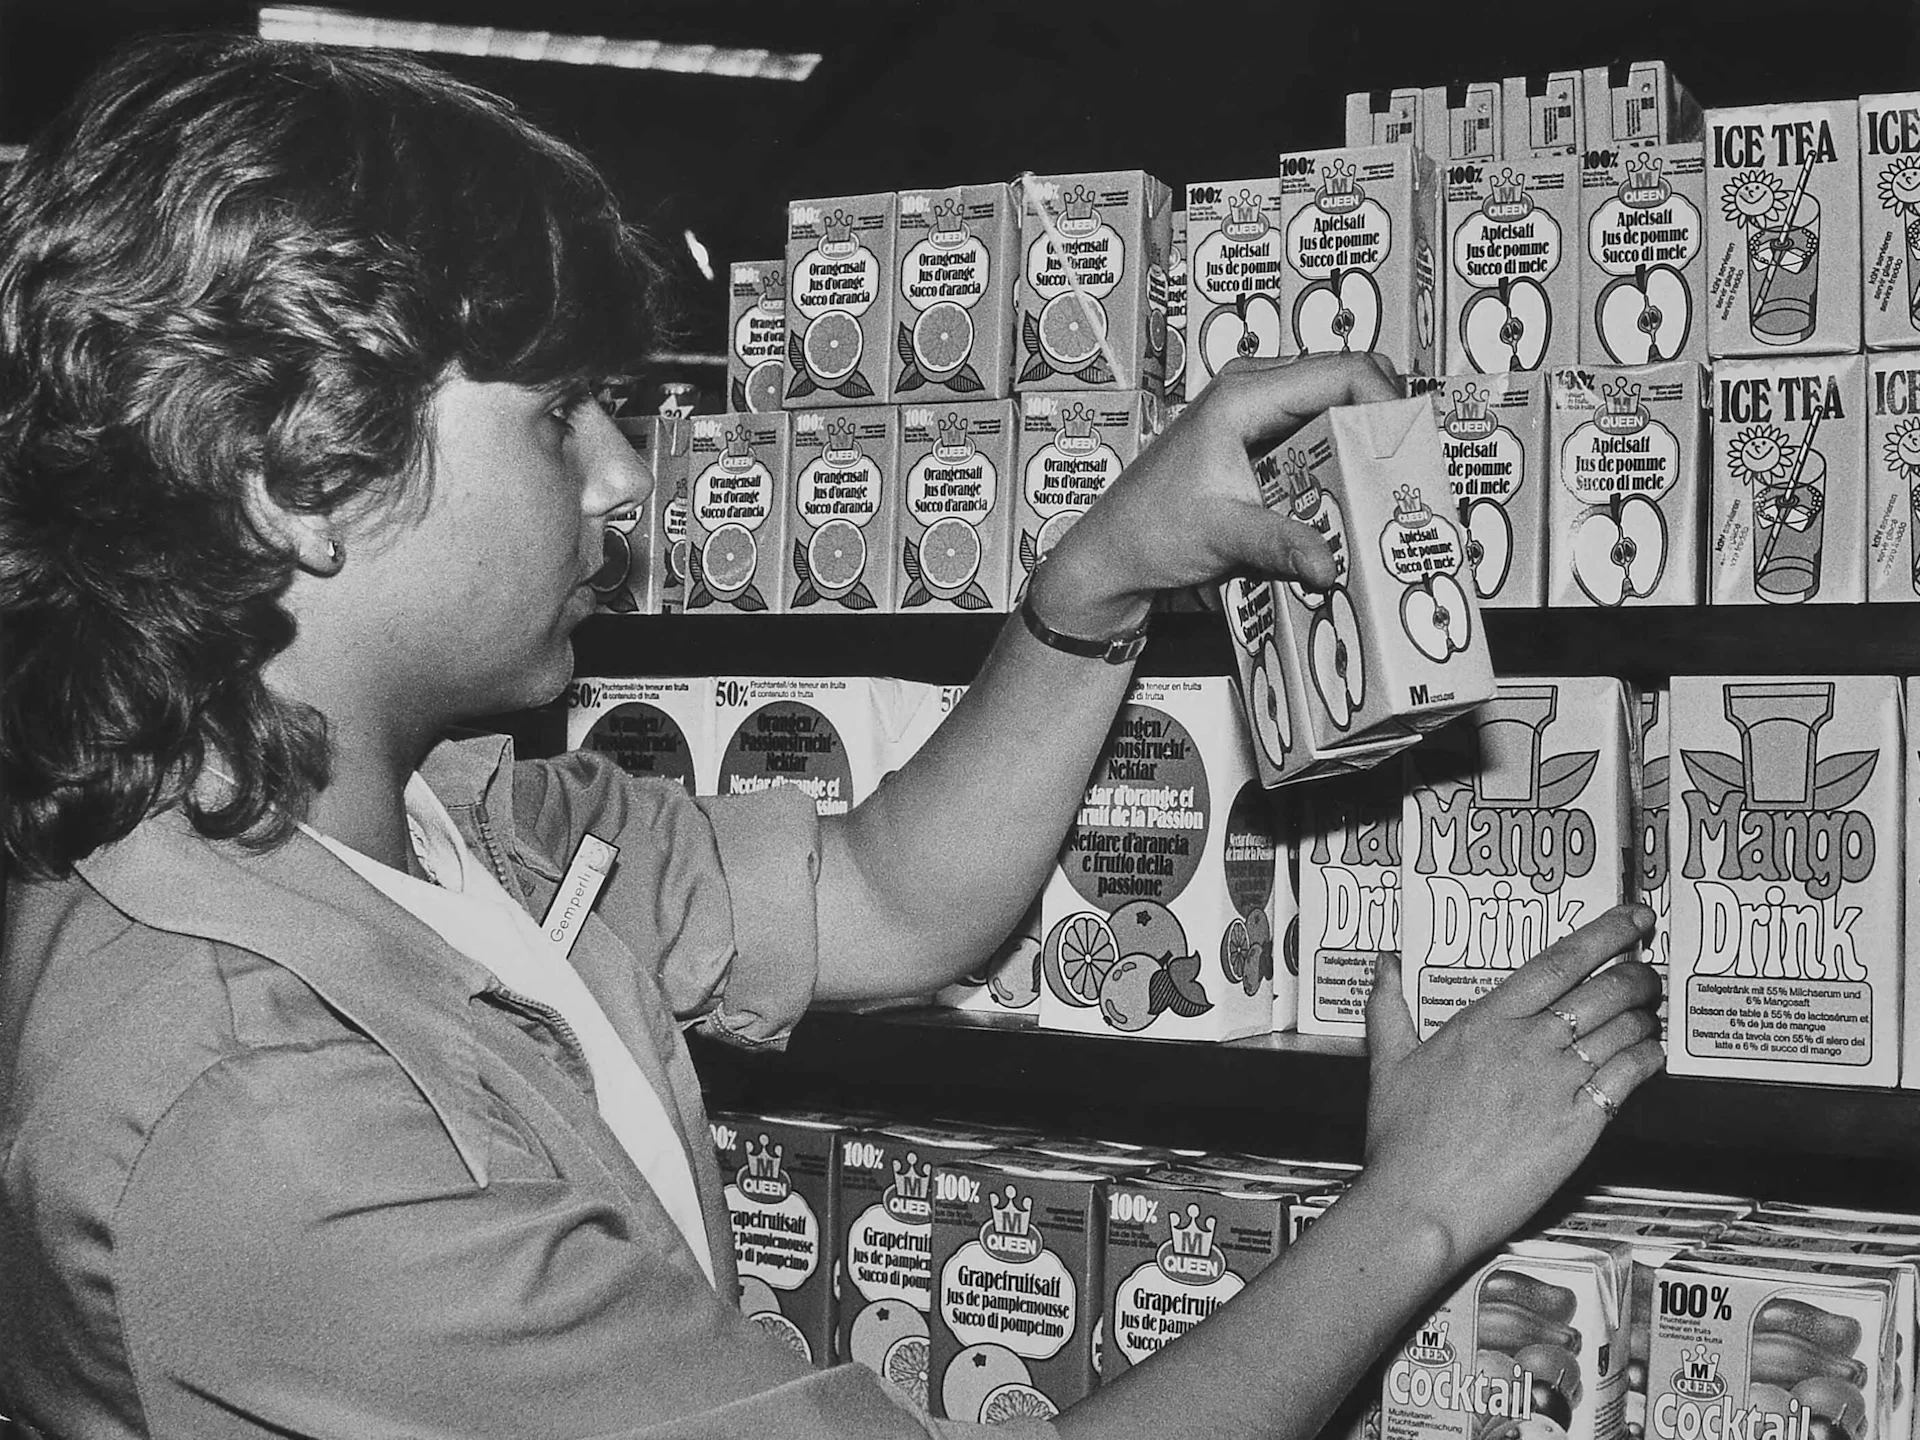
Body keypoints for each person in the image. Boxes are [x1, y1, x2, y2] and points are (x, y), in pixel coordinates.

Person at [0, 33, 1663, 1440]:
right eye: (556, 413)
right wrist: (1421, 1207)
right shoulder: (258, 1109)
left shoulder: (445, 822)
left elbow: (886, 892)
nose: (623, 480)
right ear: (299, 472)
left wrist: (1094, 581)